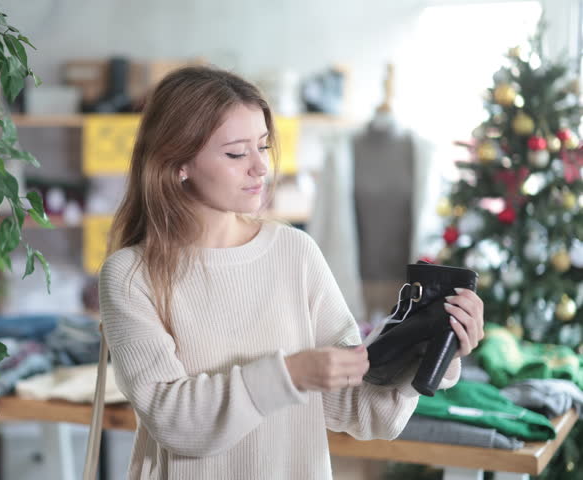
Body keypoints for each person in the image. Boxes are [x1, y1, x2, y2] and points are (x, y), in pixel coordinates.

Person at [98, 66, 485, 480]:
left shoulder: (294, 252)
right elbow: (175, 421)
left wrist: (434, 347)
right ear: (178, 163)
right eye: (235, 153)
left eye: (262, 147)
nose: (260, 168)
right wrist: (293, 373)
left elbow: (362, 411)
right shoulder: (130, 276)